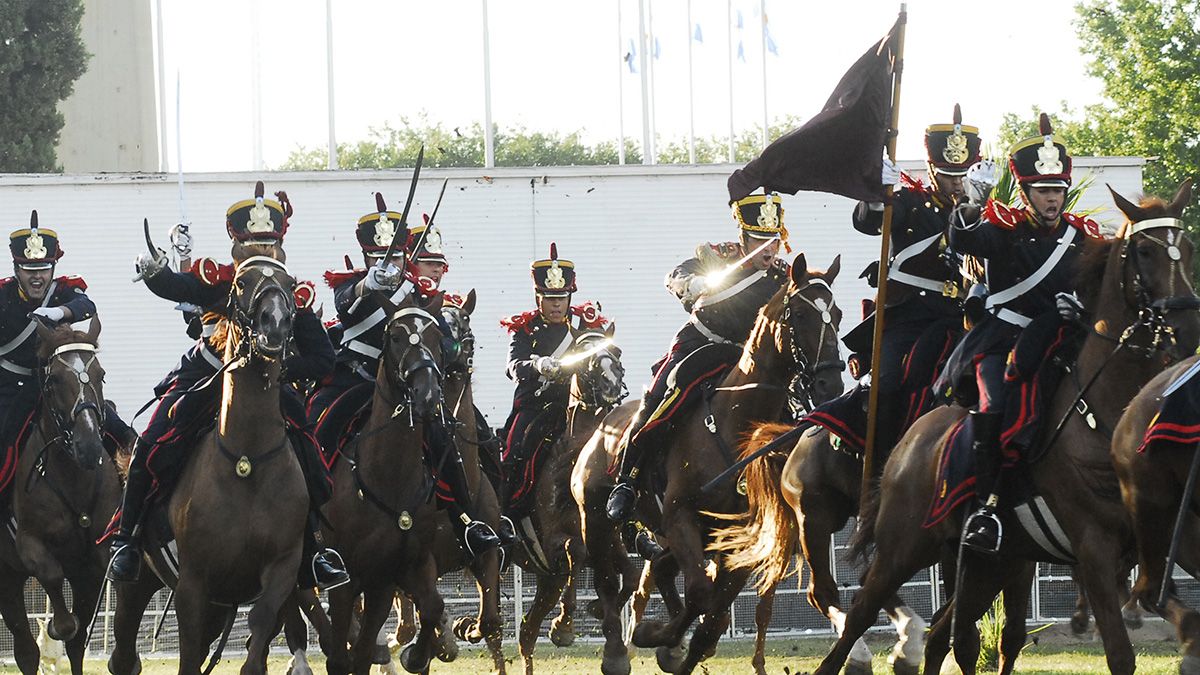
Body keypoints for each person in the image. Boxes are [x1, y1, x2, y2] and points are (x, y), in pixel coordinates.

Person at [107, 182, 349, 590]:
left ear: (281, 246)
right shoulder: (219, 280)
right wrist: (154, 266)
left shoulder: (291, 294)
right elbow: (172, 287)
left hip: (268, 386)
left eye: (268, 244)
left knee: (310, 454)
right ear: (236, 244)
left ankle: (317, 548)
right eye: (252, 243)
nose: (261, 252)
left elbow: (323, 358)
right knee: (152, 440)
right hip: (205, 375)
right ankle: (127, 538)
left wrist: (280, 370)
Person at [307, 194, 501, 559]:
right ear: (366, 258)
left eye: (394, 257)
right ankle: (312, 530)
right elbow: (344, 305)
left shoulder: (418, 293)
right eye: (379, 258)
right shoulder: (350, 284)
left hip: (405, 390)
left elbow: (444, 339)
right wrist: (370, 283)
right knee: (321, 430)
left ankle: (465, 520)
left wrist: (456, 349)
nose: (389, 264)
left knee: (447, 437)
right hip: (355, 381)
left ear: (405, 256)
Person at [949, 114, 1103, 553]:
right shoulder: (1003, 228)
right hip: (1005, 340)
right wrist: (969, 206)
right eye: (1043, 191)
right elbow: (963, 241)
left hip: (1064, 339)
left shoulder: (1081, 236)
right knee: (994, 403)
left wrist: (1084, 308)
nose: (1052, 199)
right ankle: (986, 507)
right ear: (1026, 193)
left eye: (1057, 190)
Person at [606, 192, 789, 522]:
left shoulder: (781, 276)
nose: (768, 248)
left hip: (745, 356)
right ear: (743, 237)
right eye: (759, 239)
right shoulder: (720, 257)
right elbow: (674, 275)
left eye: (773, 241)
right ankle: (627, 479)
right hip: (701, 344)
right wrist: (693, 282)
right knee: (661, 395)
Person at [809, 105, 978, 457]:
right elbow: (867, 222)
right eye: (949, 174)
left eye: (963, 174)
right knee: (887, 385)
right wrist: (876, 193)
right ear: (932, 168)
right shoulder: (910, 203)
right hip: (911, 316)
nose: (957, 182)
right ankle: (877, 459)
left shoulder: (977, 208)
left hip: (962, 316)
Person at [1, 212, 136, 499]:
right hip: (11, 387)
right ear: (16, 269)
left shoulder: (62, 290)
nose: (37, 277)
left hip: (57, 381)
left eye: (44, 268)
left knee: (115, 429)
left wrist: (59, 312)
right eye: (28, 269)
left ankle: (133, 505)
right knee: (6, 443)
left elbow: (85, 304)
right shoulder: (3, 295)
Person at [500, 244, 607, 527]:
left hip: (578, 406)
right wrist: (538, 365)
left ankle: (630, 522)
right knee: (514, 451)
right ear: (538, 297)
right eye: (550, 298)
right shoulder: (526, 329)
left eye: (562, 297)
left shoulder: (584, 326)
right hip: (537, 407)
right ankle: (506, 519)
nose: (557, 304)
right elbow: (513, 366)